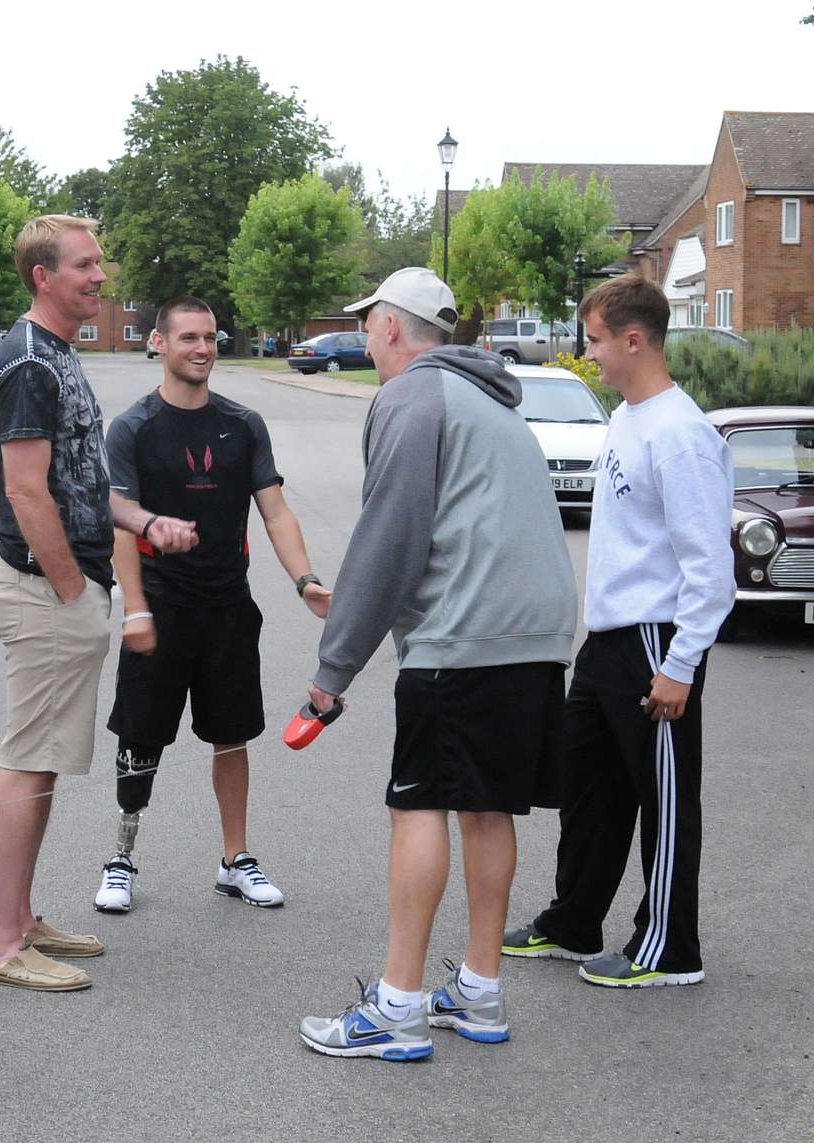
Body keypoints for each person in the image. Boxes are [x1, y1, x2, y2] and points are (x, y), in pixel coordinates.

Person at [297, 268, 578, 1060]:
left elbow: (392, 533)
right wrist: (361, 603)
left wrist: (333, 670)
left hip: (462, 638)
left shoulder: (411, 397)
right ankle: (481, 991)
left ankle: (397, 1004)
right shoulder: (490, 399)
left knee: (417, 805)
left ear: (392, 326)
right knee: (488, 807)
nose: (365, 339)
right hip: (532, 636)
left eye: (369, 325)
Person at [0, 214, 196, 992]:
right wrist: (73, 589)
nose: (102, 276)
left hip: (62, 588)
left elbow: (82, 482)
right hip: (44, 591)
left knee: (44, 766)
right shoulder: (30, 363)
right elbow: (27, 490)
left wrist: (144, 521)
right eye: (85, 265)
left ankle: (20, 917)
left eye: (101, 262)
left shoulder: (56, 355)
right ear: (43, 276)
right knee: (27, 763)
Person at [502, 274, 733, 988]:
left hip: (656, 641)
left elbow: (710, 568)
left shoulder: (681, 434)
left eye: (596, 341)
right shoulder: (628, 417)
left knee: (663, 800)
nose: (589, 354)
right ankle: (575, 920)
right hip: (607, 640)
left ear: (635, 340)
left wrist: (682, 665)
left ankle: (669, 948)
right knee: (589, 789)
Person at [94, 296, 331, 915]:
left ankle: (235, 860)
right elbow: (122, 526)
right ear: (159, 344)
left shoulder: (243, 424)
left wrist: (304, 579)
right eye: (189, 338)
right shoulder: (133, 429)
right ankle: (121, 858)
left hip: (227, 606)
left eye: (210, 338)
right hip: (162, 607)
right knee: (140, 740)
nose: (202, 348)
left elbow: (274, 510)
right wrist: (136, 608)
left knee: (231, 737)